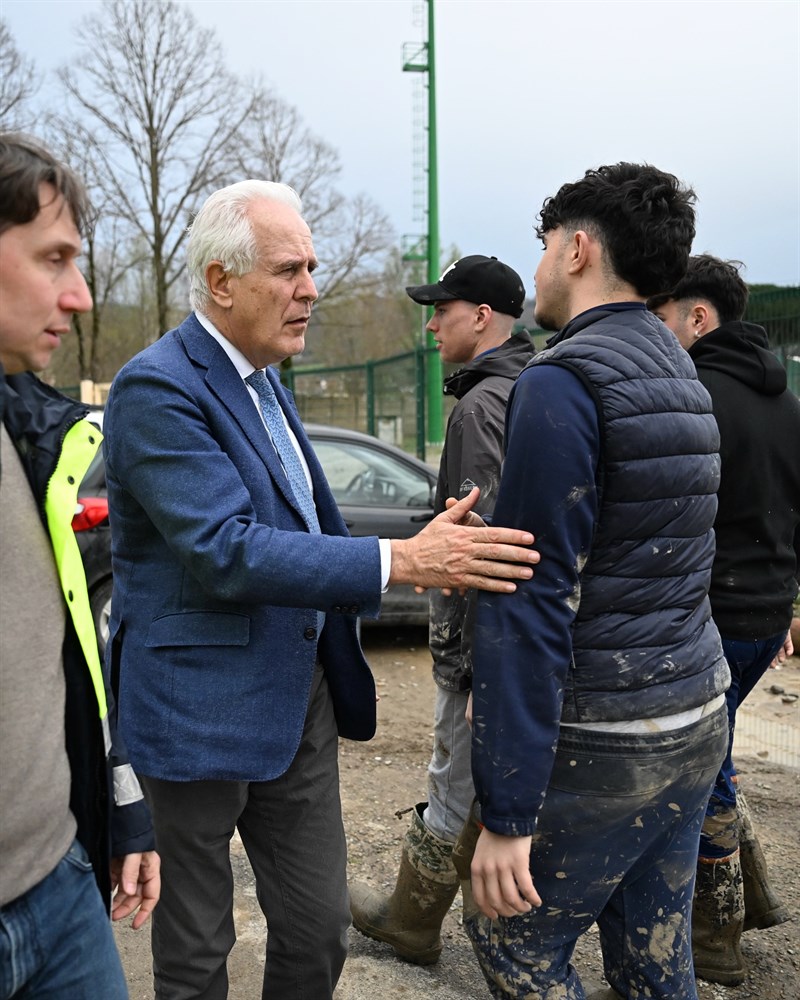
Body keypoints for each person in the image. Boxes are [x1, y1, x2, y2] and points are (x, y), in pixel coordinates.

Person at [103, 179, 540, 1000]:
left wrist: (428, 536)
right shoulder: (156, 388)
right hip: (194, 709)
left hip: (298, 697)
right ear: (221, 281)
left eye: (312, 267)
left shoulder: (268, 374)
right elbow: (226, 550)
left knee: (316, 928)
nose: (311, 288)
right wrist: (401, 561)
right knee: (198, 949)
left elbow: (300, 520)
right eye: (288, 269)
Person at [461, 163, 732, 999]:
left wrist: (507, 815)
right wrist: (505, 533)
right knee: (655, 960)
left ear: (578, 249)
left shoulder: (561, 379)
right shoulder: (677, 366)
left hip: (608, 738)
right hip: (694, 716)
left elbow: (537, 600)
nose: (538, 268)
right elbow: (642, 538)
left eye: (544, 247)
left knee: (512, 939)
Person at [0, 133, 159, 998]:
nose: (82, 294)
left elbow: (76, 657)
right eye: (53, 258)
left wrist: (120, 808)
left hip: (59, 888)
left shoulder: (44, 440)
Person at [350, 255, 535, 964]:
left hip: (481, 649)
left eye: (443, 309)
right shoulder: (532, 389)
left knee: (454, 775)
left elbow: (488, 553)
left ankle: (413, 921)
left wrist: (486, 670)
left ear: (481, 317)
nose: (431, 323)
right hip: (522, 644)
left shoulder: (483, 406)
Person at [648, 254, 800, 985]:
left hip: (713, 615)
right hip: (767, 614)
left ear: (698, 317)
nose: (657, 331)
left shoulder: (697, 395)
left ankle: (716, 936)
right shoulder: (785, 402)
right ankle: (747, 902)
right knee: (718, 753)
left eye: (663, 315)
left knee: (697, 771)